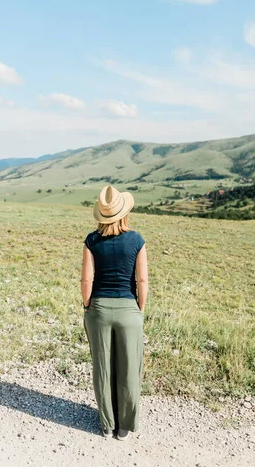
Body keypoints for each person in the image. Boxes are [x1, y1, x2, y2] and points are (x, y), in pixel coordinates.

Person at [81, 185, 149, 441]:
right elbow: (142, 281)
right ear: (124, 213)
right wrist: (139, 308)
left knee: (103, 367)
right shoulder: (137, 240)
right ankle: (124, 427)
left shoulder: (91, 241)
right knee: (130, 367)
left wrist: (88, 307)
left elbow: (87, 281)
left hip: (98, 309)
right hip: (128, 309)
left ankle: (107, 424)